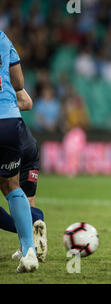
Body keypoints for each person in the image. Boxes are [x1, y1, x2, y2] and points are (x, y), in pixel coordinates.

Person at [0, 30, 39, 272]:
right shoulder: (2, 38)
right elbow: (19, 84)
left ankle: (36, 220)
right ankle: (29, 252)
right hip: (8, 121)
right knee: (12, 186)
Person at [0, 88, 48, 263]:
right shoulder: (9, 79)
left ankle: (32, 227)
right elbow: (27, 102)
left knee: (10, 188)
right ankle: (30, 246)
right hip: (26, 142)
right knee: (26, 200)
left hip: (8, 141)